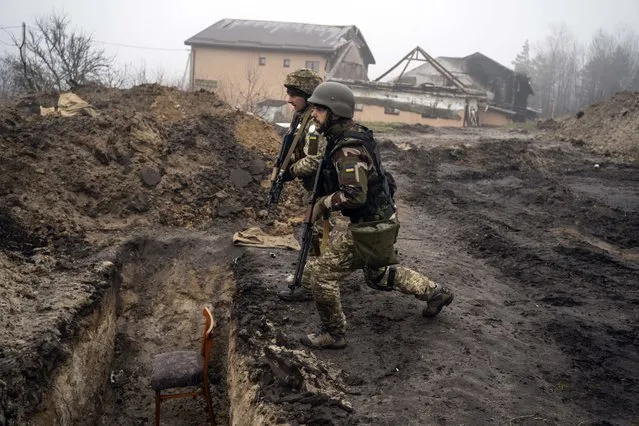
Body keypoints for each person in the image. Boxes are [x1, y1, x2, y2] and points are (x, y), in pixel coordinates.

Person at [296, 81, 455, 349]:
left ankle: (333, 334)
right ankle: (435, 292)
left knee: (322, 275)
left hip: (372, 224)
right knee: (377, 274)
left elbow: (354, 195)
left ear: (334, 112)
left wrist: (323, 203)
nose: (314, 114)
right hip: (380, 218)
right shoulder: (349, 135)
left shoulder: (348, 150)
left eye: (320, 110)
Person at [275, 69, 328, 302]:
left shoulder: (314, 124)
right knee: (315, 232)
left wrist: (291, 171)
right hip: (317, 187)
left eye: (294, 95)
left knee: (314, 232)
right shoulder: (301, 118)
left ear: (307, 95)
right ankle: (314, 278)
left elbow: (314, 161)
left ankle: (310, 283)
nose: (289, 99)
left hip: (324, 186)